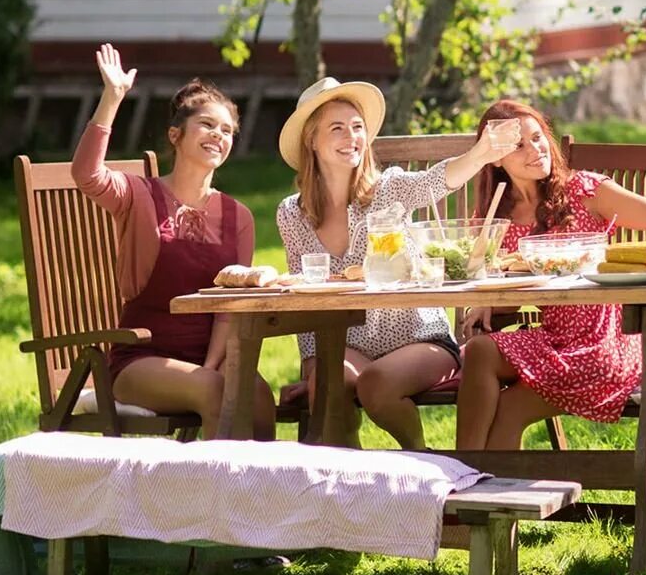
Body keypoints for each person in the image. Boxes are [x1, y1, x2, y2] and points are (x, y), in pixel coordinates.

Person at [452, 99, 646, 451]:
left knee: (510, 410)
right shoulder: (495, 215)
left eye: (537, 137)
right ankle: (463, 479)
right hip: (552, 340)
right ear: (494, 157)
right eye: (518, 145)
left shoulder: (584, 191)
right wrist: (486, 303)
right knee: (481, 350)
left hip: (605, 346)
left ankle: (481, 487)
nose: (535, 150)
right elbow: (500, 279)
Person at [274, 77, 517, 449]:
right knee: (328, 387)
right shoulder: (291, 213)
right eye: (336, 128)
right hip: (342, 340)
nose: (351, 137)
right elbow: (302, 296)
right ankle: (351, 486)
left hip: (418, 337)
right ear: (311, 139)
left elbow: (436, 182)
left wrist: (481, 153)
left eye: (357, 128)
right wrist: (314, 362)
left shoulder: (389, 189)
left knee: (376, 385)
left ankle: (423, 463)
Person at [71, 44, 275, 439]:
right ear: (175, 135)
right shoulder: (137, 195)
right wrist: (112, 99)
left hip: (207, 361)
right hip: (140, 360)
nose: (219, 135)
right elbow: (86, 174)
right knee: (219, 393)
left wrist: (215, 364)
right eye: (208, 125)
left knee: (259, 399)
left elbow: (229, 310)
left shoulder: (239, 218)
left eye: (228, 130)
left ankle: (259, 500)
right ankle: (207, 499)